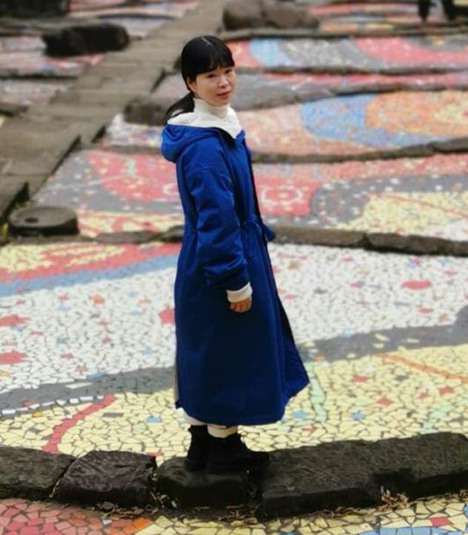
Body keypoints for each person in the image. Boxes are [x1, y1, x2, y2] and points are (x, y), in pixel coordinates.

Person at [160, 36, 310, 473]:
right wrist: (235, 279)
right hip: (222, 260)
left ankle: (203, 444)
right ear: (191, 83)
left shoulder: (217, 126)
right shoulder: (205, 146)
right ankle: (223, 449)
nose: (224, 82)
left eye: (228, 71)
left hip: (218, 255)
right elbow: (217, 219)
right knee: (229, 349)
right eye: (211, 75)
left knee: (209, 347)